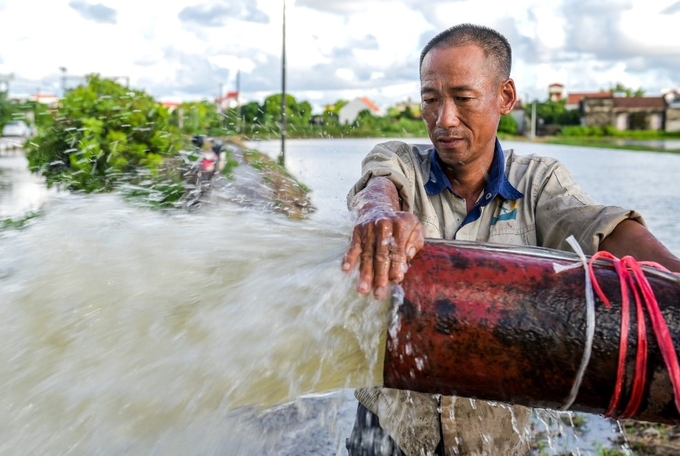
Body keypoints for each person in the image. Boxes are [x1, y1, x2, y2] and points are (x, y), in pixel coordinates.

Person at [341, 23, 680, 456]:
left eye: (463, 98)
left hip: (492, 434)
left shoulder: (539, 181)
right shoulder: (402, 161)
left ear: (505, 97)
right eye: (430, 100)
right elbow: (378, 183)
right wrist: (380, 214)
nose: (444, 119)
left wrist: (673, 273)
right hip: (390, 425)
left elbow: (601, 225)